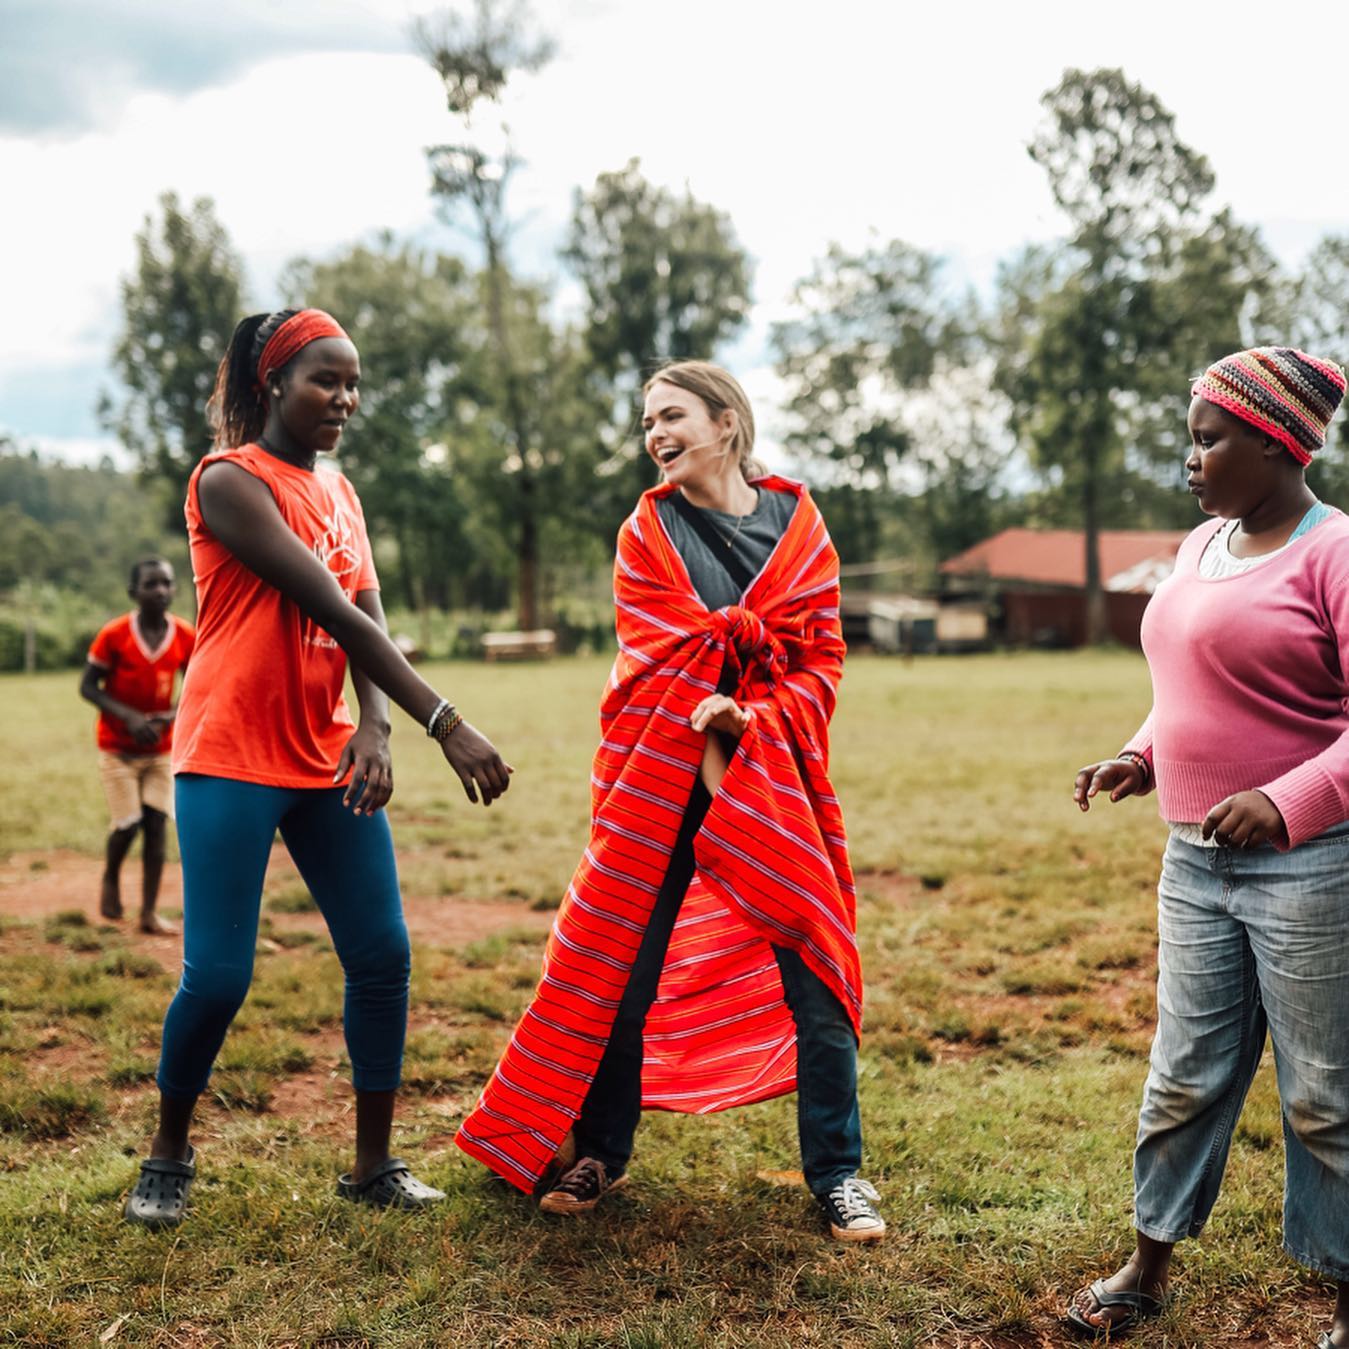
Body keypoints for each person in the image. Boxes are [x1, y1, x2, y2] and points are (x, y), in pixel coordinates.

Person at [456, 360, 884, 1242]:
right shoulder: (646, 532)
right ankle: (599, 1152)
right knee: (622, 968)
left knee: (816, 970)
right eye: (647, 421)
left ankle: (838, 1174)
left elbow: (822, 658)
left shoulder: (798, 526)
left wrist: (751, 716)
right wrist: (706, 702)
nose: (655, 434)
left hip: (768, 779)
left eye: (672, 415)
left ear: (726, 422)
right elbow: (652, 656)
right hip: (657, 780)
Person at [123, 308, 512, 1228]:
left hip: (325, 753)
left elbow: (368, 619)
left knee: (381, 955)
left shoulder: (341, 491)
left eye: (353, 384)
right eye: (325, 381)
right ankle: (168, 1153)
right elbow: (332, 608)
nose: (345, 399)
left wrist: (374, 726)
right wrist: (443, 721)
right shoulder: (228, 480)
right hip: (230, 750)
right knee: (218, 976)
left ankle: (373, 1164)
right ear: (272, 384)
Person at [1069, 347, 1349, 1345]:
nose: (1188, 460)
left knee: (1322, 1094)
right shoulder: (1200, 546)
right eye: (1188, 439)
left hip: (1311, 864)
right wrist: (1138, 754)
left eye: (1207, 439)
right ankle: (1147, 1264)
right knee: (1183, 1071)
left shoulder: (1333, 553)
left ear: (1274, 443)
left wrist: (1284, 800)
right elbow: (1189, 686)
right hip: (1192, 859)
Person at [80, 557, 194, 934]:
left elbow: (198, 686)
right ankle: (111, 876)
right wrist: (128, 716)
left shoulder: (184, 635)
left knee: (157, 825)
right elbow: (87, 686)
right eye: (151, 584)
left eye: (166, 583)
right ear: (134, 592)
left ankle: (148, 913)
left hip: (161, 750)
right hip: (118, 749)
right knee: (128, 825)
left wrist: (171, 715)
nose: (160, 591)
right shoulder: (114, 635)